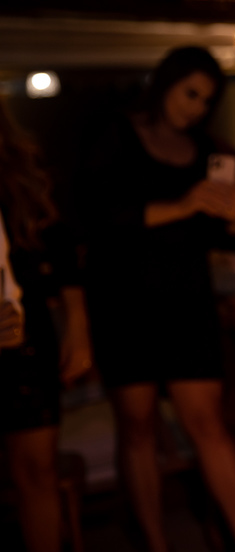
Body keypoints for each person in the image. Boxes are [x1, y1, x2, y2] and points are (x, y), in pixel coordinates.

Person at [80, 47, 235, 552]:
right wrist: (182, 204)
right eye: (190, 93)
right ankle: (154, 542)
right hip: (123, 298)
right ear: (166, 84)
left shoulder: (208, 151)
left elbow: (231, 238)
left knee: (207, 424)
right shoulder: (115, 133)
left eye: (207, 100)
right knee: (136, 427)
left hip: (186, 299)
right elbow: (97, 216)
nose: (197, 107)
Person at [1, 100, 92, 552]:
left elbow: (61, 253)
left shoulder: (20, 173)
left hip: (24, 339)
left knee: (36, 471)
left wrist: (77, 326)